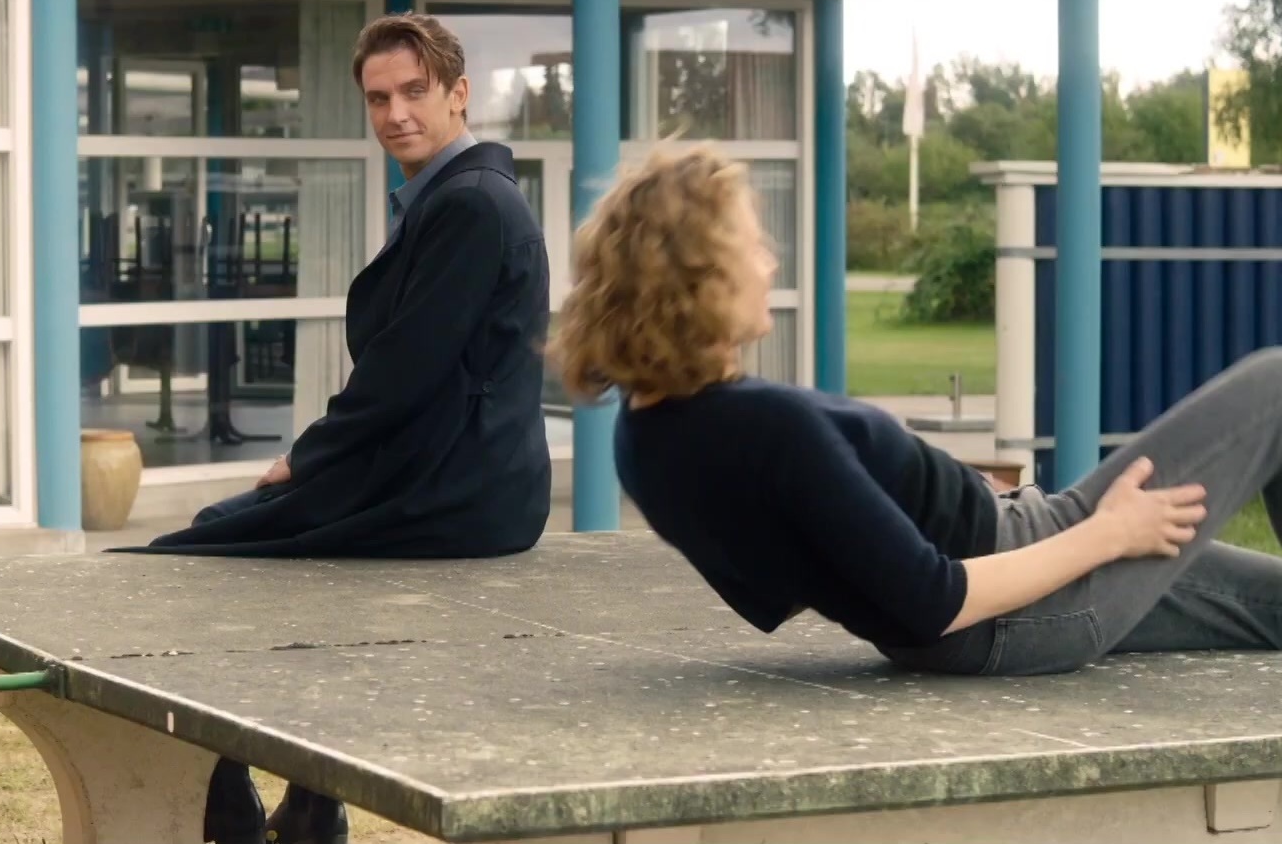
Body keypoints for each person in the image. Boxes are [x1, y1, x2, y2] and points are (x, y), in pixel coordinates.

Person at [547, 141, 1282, 685]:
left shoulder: (644, 439)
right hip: (1026, 600)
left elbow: (770, 593)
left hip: (998, 586)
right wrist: (1108, 533)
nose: (770, 263)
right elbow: (934, 600)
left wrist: (932, 507)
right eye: (751, 245)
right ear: (696, 282)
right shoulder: (763, 429)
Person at [109, 13, 551, 844]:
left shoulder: (470, 204)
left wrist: (304, 460)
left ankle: (232, 796)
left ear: (458, 94)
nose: (396, 114)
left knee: (193, 553)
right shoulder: (456, 196)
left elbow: (406, 368)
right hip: (447, 472)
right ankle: (304, 803)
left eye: (415, 92)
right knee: (227, 544)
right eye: (379, 98)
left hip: (455, 488)